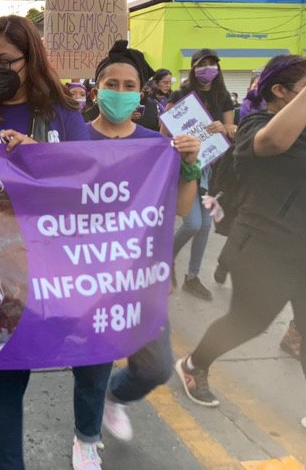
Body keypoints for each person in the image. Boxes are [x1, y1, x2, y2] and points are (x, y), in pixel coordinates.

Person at [0, 15, 104, 470]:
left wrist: (40, 158)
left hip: (58, 269)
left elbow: (86, 186)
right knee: (7, 376)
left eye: (4, 61)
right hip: (0, 268)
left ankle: (87, 435)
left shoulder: (65, 116)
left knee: (90, 359)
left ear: (30, 61)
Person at [174, 54, 306, 434]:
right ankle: (194, 365)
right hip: (265, 247)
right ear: (280, 92)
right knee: (249, 321)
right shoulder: (257, 124)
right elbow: (275, 141)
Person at [84, 42, 200, 443]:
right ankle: (85, 438)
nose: (120, 90)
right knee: (92, 369)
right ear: (96, 90)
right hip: (89, 278)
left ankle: (117, 396)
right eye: (111, 83)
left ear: (139, 93)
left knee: (156, 367)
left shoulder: (157, 146)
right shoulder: (72, 143)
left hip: (141, 277)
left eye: (128, 84)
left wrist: (189, 168)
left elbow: (182, 210)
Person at [166, 49, 235, 300]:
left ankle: (192, 277)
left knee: (205, 225)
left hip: (212, 169)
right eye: (202, 64)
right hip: (187, 166)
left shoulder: (223, 96)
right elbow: (165, 128)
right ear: (193, 68)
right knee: (194, 222)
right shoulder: (181, 94)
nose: (208, 68)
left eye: (212, 64)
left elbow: (232, 128)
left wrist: (225, 127)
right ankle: (164, 261)